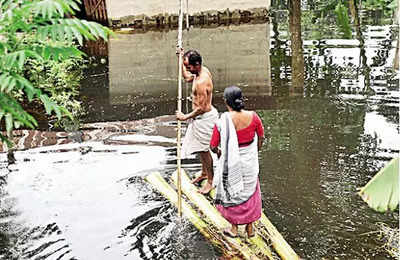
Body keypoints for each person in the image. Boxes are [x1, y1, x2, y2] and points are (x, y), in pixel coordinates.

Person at [210, 86, 265, 238]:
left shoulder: (223, 121)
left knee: (232, 191)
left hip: (231, 163)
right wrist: (255, 151)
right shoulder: (254, 117)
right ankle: (250, 228)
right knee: (251, 190)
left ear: (226, 102)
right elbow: (261, 137)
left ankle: (234, 229)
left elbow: (213, 146)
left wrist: (220, 153)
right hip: (250, 160)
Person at [176, 49, 218, 194]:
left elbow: (202, 107)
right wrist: (181, 60)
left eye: (189, 67)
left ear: (197, 64)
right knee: (201, 149)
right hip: (200, 118)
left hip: (204, 119)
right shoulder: (200, 72)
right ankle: (204, 173)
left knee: (205, 150)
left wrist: (184, 116)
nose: (187, 69)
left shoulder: (201, 82)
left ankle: (211, 181)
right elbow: (187, 78)